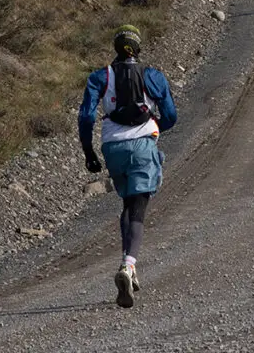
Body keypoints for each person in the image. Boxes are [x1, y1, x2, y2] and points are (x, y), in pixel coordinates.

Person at [78, 24, 177, 308]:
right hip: (143, 143)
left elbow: (86, 117)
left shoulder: (101, 77)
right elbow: (170, 115)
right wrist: (156, 125)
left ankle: (129, 266)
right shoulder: (152, 76)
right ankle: (128, 265)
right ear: (139, 48)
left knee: (127, 202)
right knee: (139, 206)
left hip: (112, 147)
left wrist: (89, 152)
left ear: (116, 49)